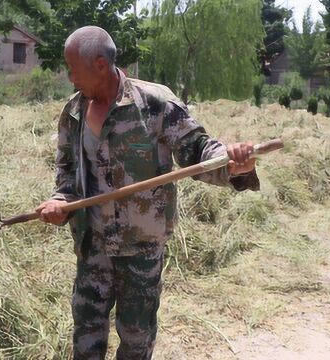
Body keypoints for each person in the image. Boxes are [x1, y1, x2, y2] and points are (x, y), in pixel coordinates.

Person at [35, 26, 260, 360]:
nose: (70, 78)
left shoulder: (155, 104)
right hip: (91, 246)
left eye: (74, 70)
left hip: (140, 249)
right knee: (85, 339)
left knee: (136, 342)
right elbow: (67, 172)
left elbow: (198, 150)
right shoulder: (73, 112)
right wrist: (60, 202)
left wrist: (233, 165)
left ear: (100, 65)